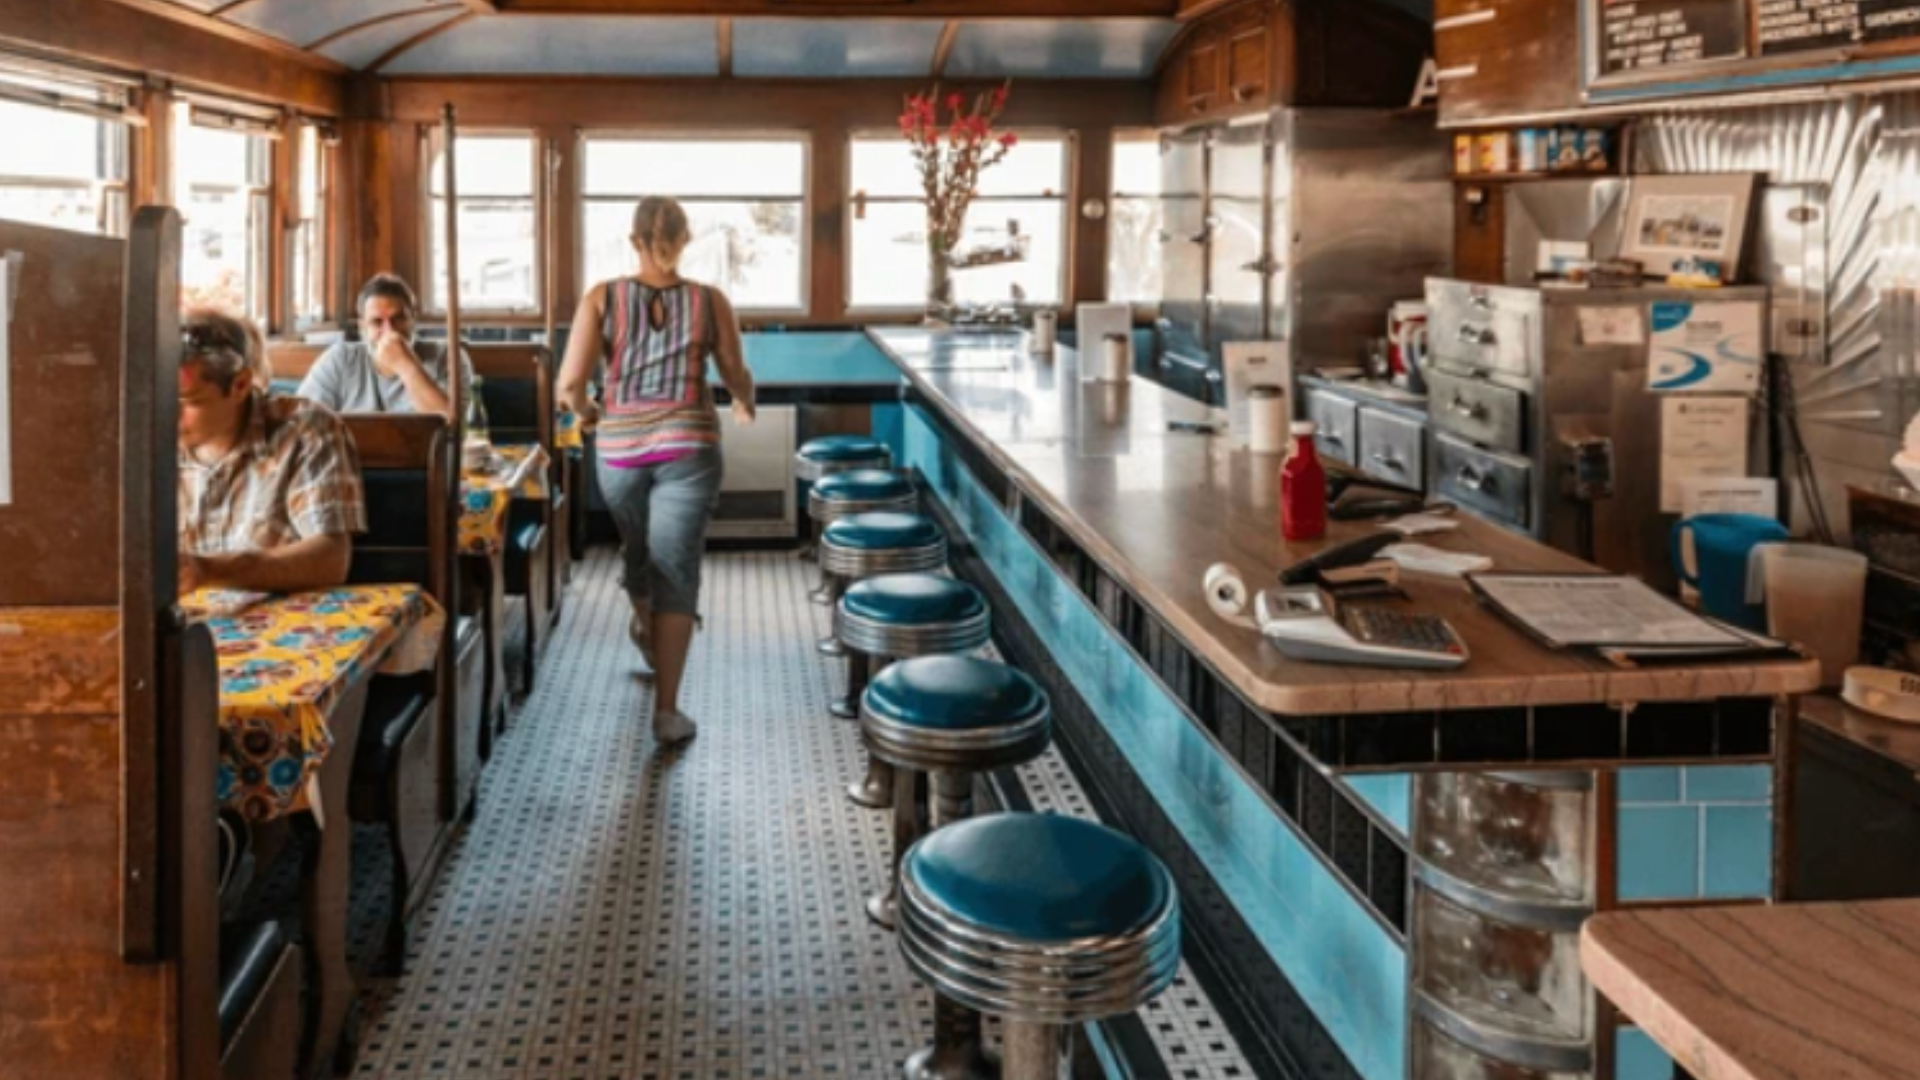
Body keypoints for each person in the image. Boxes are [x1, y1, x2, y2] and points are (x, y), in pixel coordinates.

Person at [557, 196, 756, 747]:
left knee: (637, 547)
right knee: (676, 564)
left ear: (634, 240)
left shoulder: (602, 298)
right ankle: (667, 712)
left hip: (619, 449)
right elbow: (736, 372)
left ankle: (647, 628)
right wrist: (743, 402)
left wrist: (593, 414)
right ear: (685, 239)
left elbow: (569, 386)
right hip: (689, 446)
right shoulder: (709, 301)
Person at [178, 308, 366, 595]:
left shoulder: (304, 429)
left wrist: (210, 570)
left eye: (185, 402)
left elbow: (331, 558)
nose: (162, 415)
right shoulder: (139, 442)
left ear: (240, 384)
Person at [297, 273, 473, 419]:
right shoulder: (339, 359)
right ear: (362, 326)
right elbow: (300, 419)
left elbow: (454, 428)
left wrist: (406, 365)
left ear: (413, 320)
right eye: (377, 322)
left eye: (398, 319)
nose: (389, 331)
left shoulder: (448, 357)